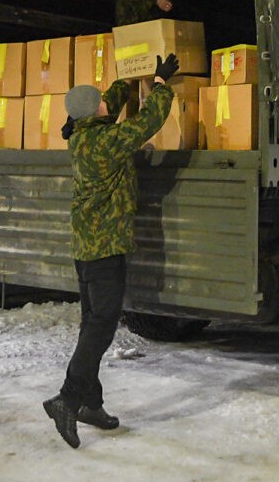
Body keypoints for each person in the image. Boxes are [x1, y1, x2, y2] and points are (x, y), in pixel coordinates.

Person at [43, 52, 179, 448]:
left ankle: (90, 403)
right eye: (101, 100)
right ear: (94, 112)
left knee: (92, 322)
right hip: (105, 247)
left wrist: (127, 76)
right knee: (102, 324)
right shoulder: (106, 141)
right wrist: (159, 84)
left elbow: (111, 102)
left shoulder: (81, 133)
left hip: (86, 245)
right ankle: (68, 398)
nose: (107, 101)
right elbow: (147, 123)